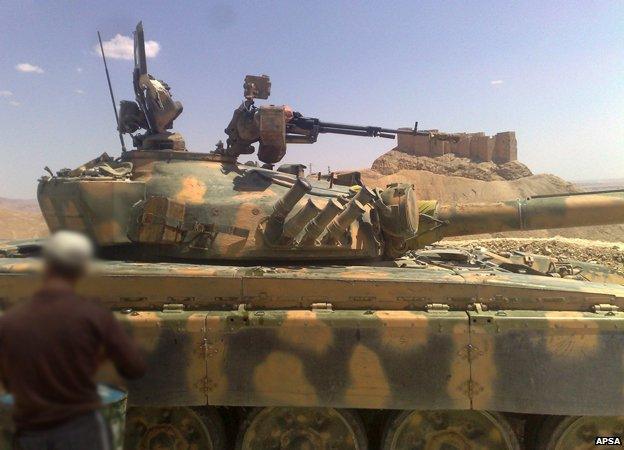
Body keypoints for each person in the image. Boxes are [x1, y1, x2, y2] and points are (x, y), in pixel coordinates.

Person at [0, 231, 146, 450]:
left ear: (47, 267)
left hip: (32, 433)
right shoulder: (94, 316)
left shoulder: (10, 321)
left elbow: (9, 381)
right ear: (80, 271)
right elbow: (134, 368)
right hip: (82, 430)